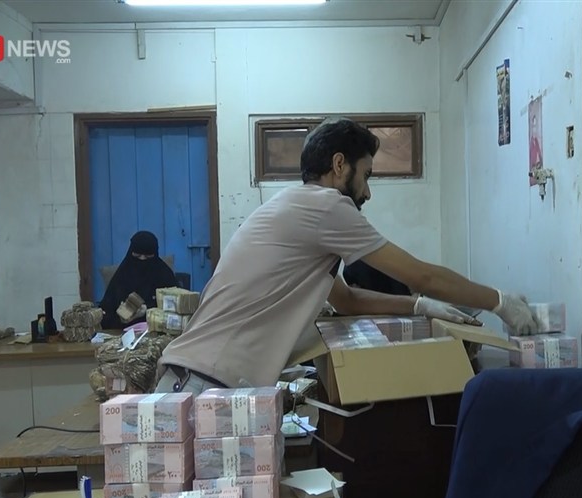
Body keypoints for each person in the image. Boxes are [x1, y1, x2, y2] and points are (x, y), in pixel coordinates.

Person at [154, 117, 538, 396]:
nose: (367, 193)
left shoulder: (296, 207)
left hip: (197, 376)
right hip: (205, 381)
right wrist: (498, 302)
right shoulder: (327, 207)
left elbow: (347, 299)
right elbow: (422, 276)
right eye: (366, 175)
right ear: (340, 165)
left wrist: (419, 306)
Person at [98, 231, 177, 329]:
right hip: (122, 331)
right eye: (137, 256)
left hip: (156, 330)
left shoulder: (164, 274)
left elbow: (175, 308)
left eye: (148, 256)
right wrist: (121, 317)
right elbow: (106, 311)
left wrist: (147, 310)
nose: (142, 260)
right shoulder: (122, 275)